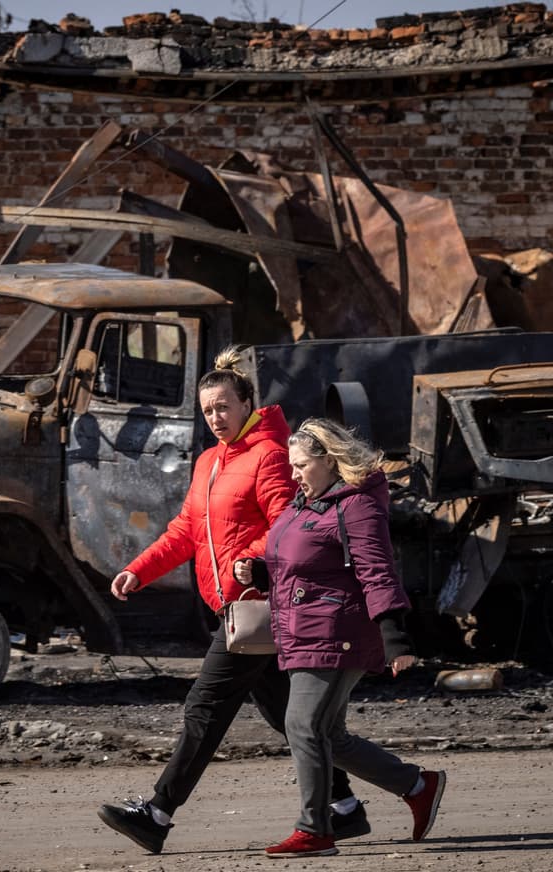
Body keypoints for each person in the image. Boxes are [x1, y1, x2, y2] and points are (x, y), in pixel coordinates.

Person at [96, 350, 368, 854]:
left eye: (224, 406)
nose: (215, 417)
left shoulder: (268, 455)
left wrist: (247, 556)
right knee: (287, 713)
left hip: (259, 602)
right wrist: (140, 570)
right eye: (207, 410)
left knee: (205, 707)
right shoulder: (208, 462)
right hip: (232, 608)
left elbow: (291, 524)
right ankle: (349, 806)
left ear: (247, 403)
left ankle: (156, 813)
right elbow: (186, 531)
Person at [240, 417, 447, 858]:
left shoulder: (356, 505)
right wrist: (261, 572)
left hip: (339, 633)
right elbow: (301, 562)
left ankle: (315, 830)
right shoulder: (305, 502)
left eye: (300, 465)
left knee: (302, 725)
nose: (293, 474)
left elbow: (378, 570)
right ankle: (416, 784)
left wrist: (395, 636)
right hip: (304, 631)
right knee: (328, 733)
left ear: (330, 461)